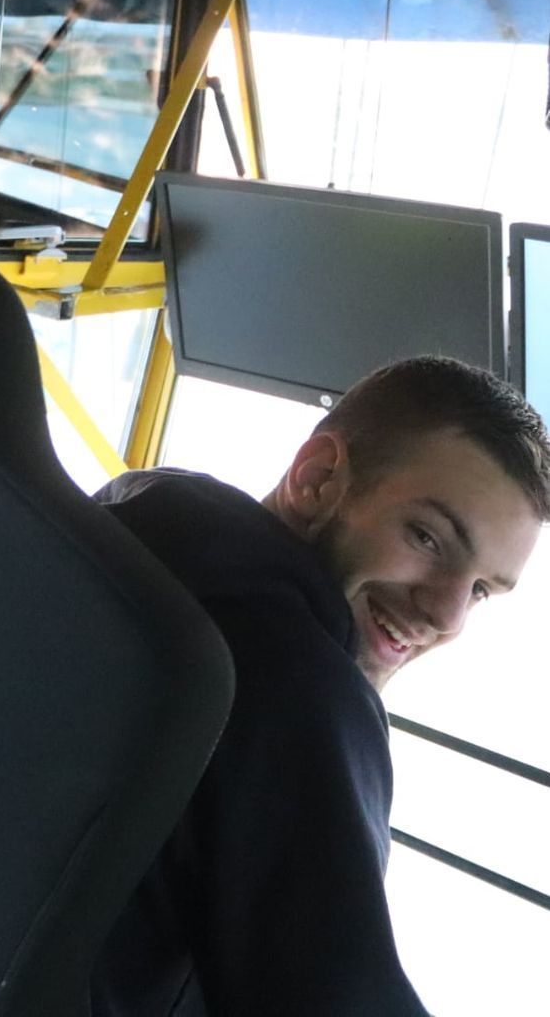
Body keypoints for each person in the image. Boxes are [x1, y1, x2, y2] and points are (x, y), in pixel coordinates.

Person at [89, 356, 550, 1016]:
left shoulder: (131, 515)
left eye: (479, 590)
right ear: (317, 479)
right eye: (427, 537)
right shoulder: (297, 689)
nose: (445, 615)